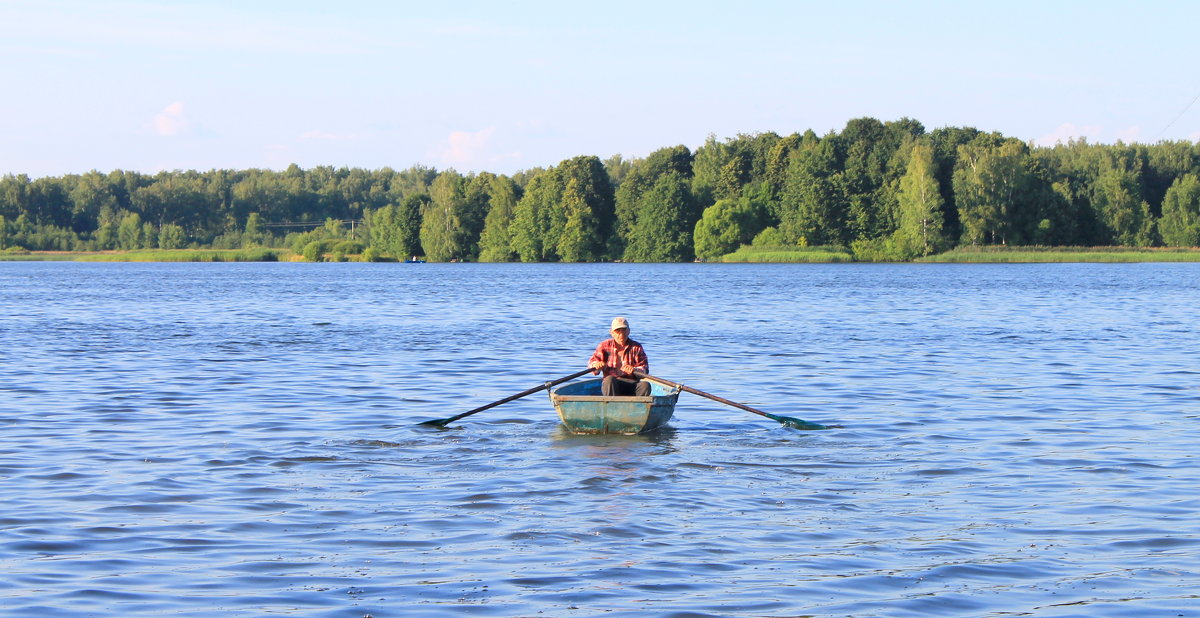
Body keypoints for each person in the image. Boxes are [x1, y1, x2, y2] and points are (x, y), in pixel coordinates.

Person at [588, 317, 651, 397]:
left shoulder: (637, 347)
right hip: (612, 384)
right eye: (618, 331)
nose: (621, 334)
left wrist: (635, 370)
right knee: (609, 380)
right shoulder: (603, 346)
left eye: (624, 330)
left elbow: (645, 369)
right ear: (612, 332)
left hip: (632, 383)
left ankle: (637, 407)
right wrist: (596, 366)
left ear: (629, 331)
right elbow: (592, 365)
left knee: (645, 385)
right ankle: (611, 406)